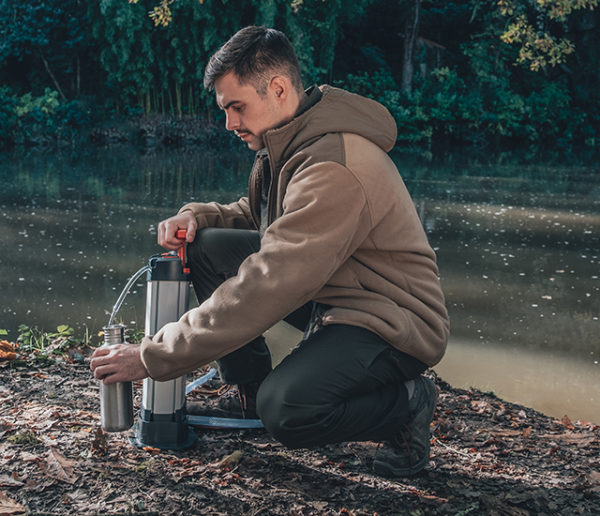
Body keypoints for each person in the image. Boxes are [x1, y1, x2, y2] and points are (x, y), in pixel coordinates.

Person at [90, 25, 450, 477]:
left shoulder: (334, 166)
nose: (229, 124)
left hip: (392, 319)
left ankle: (408, 405)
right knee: (207, 246)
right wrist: (197, 217)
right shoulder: (291, 141)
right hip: (334, 291)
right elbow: (262, 216)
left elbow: (269, 280)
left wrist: (151, 356)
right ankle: (247, 392)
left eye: (236, 107)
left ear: (277, 89)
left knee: (287, 410)